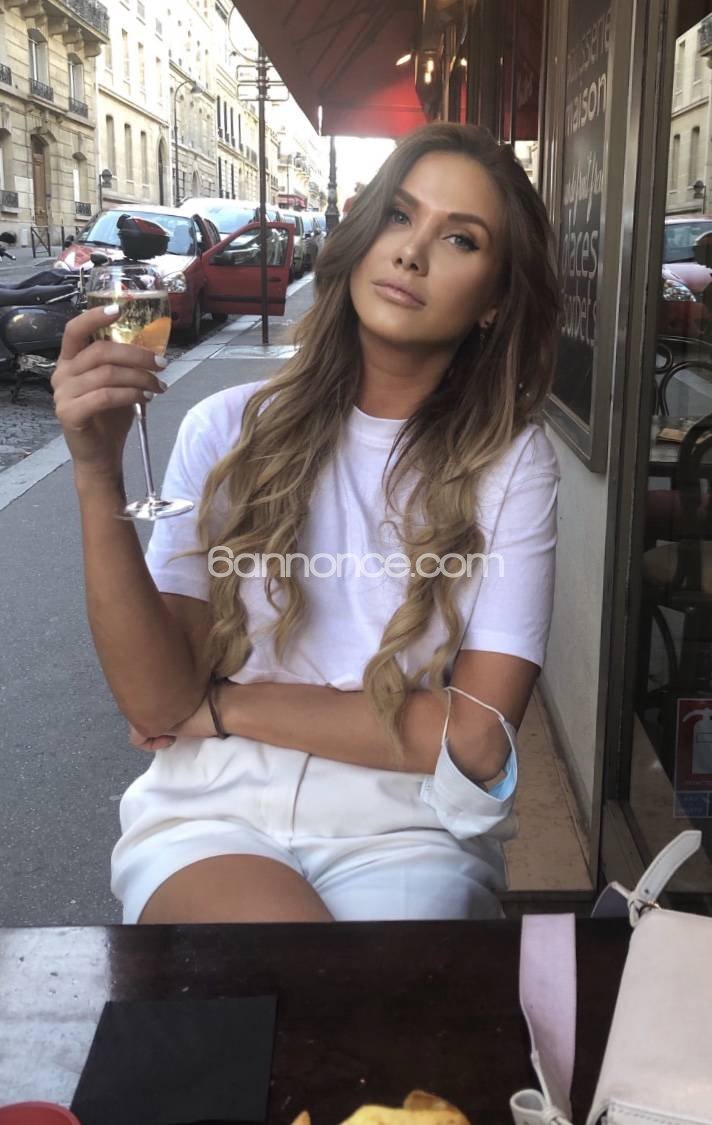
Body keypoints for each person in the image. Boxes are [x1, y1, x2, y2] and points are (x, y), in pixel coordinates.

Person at [51, 122, 561, 925]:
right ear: (361, 237)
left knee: (349, 997)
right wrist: (95, 473)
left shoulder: (512, 464)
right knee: (292, 973)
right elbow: (155, 699)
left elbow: (476, 739)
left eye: (459, 238)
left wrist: (223, 708)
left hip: (408, 827)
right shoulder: (225, 428)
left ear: (495, 299)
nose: (412, 252)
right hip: (213, 812)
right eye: (399, 216)